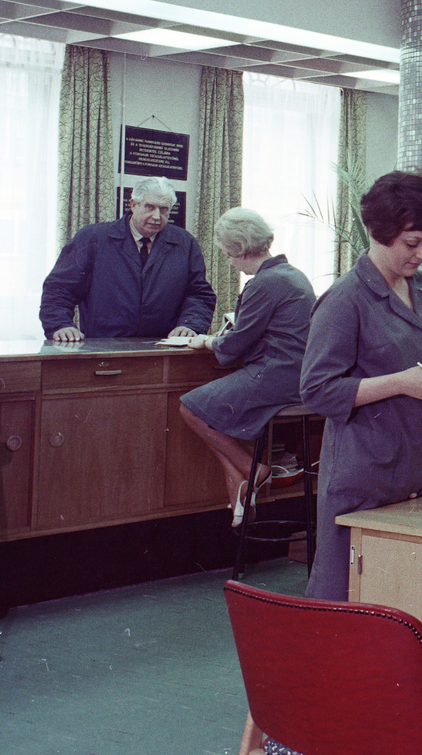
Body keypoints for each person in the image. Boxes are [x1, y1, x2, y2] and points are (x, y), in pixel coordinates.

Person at [300, 170, 422, 601]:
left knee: (410, 601)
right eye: (412, 243)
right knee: (346, 604)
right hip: (367, 478)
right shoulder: (345, 300)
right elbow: (317, 389)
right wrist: (401, 383)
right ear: (381, 232)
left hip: (419, 473)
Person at [176, 209, 313, 527]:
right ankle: (241, 483)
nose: (228, 259)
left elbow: (235, 344)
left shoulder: (265, 283)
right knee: (216, 415)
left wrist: (206, 342)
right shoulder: (291, 274)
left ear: (238, 249)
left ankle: (257, 469)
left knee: (190, 409)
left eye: (227, 253)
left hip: (277, 373)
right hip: (294, 374)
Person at [39, 176, 216, 341]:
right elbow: (59, 289)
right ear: (133, 205)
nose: (156, 216)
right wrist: (60, 325)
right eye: (150, 207)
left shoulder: (185, 243)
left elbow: (199, 294)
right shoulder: (93, 238)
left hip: (162, 347)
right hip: (104, 345)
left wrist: (190, 325)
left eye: (164, 209)